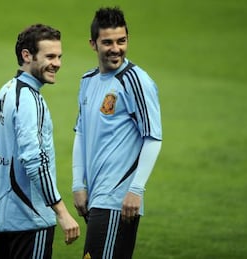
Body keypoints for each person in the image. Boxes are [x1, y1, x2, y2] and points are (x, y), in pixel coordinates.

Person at [72, 7, 162, 259]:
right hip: (94, 196)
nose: (116, 48)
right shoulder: (88, 80)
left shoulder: (136, 81)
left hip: (118, 199)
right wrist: (79, 184)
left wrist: (136, 190)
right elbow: (81, 133)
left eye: (121, 41)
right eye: (108, 42)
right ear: (93, 44)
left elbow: (152, 137)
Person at [0, 24, 80, 259]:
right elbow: (33, 160)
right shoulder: (30, 100)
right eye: (50, 56)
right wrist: (61, 212)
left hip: (3, 217)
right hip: (30, 220)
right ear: (27, 56)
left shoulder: (6, 91)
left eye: (59, 56)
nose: (57, 63)